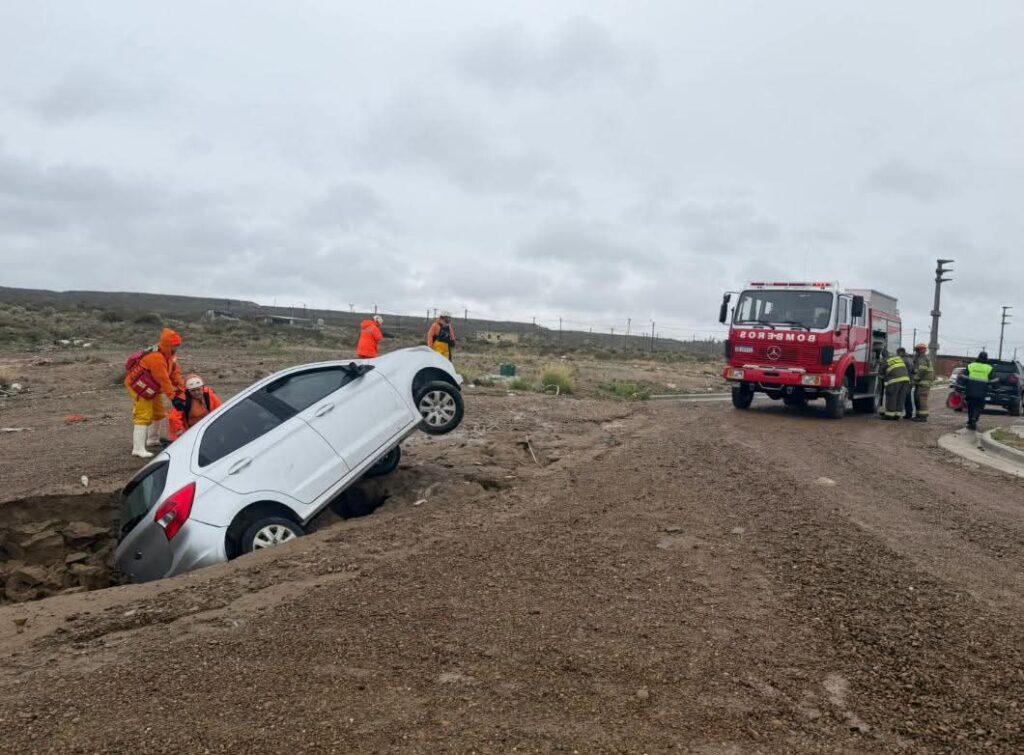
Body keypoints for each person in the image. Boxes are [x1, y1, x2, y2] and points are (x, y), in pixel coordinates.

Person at [125, 328, 184, 458]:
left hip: (152, 387)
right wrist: (173, 397)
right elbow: (163, 379)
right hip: (139, 387)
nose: (176, 349)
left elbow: (175, 373)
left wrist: (182, 388)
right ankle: (138, 448)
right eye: (174, 346)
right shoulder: (156, 358)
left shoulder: (169, 356)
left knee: (158, 413)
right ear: (167, 345)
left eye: (177, 346)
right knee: (143, 415)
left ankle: (152, 440)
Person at [169, 374, 222, 440]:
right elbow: (174, 418)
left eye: (198, 389)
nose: (197, 392)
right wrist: (180, 431)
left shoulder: (209, 396)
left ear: (202, 388)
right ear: (188, 391)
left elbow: (220, 410)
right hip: (190, 431)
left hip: (208, 428)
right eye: (193, 390)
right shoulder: (183, 400)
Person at [963, 351, 998, 431]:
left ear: (978, 357)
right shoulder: (989, 368)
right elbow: (994, 379)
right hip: (982, 391)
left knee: (970, 406)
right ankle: (975, 418)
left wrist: (961, 387)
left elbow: (964, 376)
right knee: (979, 406)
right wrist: (995, 388)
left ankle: (970, 421)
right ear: (986, 358)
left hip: (970, 389)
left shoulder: (971, 366)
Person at [879, 349, 910, 421]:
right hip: (905, 379)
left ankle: (889, 415)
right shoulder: (897, 358)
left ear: (883, 356)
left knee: (892, 396)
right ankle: (897, 415)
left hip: (895, 380)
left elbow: (881, 373)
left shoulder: (885, 360)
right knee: (900, 397)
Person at [910, 343, 934, 422]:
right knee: (917, 399)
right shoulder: (922, 358)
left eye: (916, 350)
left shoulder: (922, 358)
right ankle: (918, 415)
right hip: (921, 382)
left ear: (919, 350)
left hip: (923, 383)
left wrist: (915, 379)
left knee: (921, 399)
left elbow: (922, 370)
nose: (916, 352)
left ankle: (923, 417)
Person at [897, 347, 915, 419]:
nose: (897, 354)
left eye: (898, 353)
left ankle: (908, 413)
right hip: (909, 381)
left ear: (901, 352)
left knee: (904, 397)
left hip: (905, 381)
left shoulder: (903, 360)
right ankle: (909, 413)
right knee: (908, 397)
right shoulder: (910, 359)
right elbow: (913, 371)